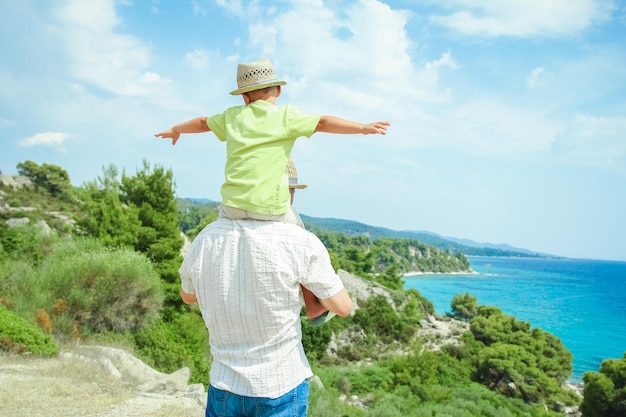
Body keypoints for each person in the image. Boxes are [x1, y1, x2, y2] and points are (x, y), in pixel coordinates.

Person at [154, 57, 390, 223]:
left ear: (244, 97)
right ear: (278, 90)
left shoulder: (231, 116)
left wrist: (176, 129)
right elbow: (323, 122)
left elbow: (202, 122)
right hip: (269, 208)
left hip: (231, 206)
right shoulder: (287, 115)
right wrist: (363, 128)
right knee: (299, 236)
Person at [179, 217, 353, 417]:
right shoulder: (297, 238)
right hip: (279, 385)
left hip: (224, 382)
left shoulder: (207, 236)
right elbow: (343, 306)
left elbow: (188, 296)